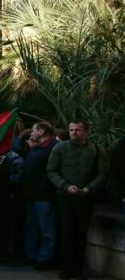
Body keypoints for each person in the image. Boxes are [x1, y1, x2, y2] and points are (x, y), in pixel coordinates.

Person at [47, 120, 109, 280]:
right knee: (66, 233)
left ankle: (79, 269)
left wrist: (90, 188)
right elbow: (52, 171)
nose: (74, 132)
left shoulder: (96, 150)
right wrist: (65, 186)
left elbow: (102, 173)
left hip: (86, 197)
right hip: (65, 197)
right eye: (71, 129)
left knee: (81, 234)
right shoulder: (60, 148)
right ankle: (67, 268)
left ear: (86, 132)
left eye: (78, 130)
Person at [21, 122, 59, 270]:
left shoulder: (53, 147)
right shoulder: (36, 148)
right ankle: (31, 255)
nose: (31, 132)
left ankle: (45, 257)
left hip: (43, 195)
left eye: (34, 129)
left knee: (46, 228)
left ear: (42, 131)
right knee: (31, 227)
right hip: (31, 194)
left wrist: (44, 187)